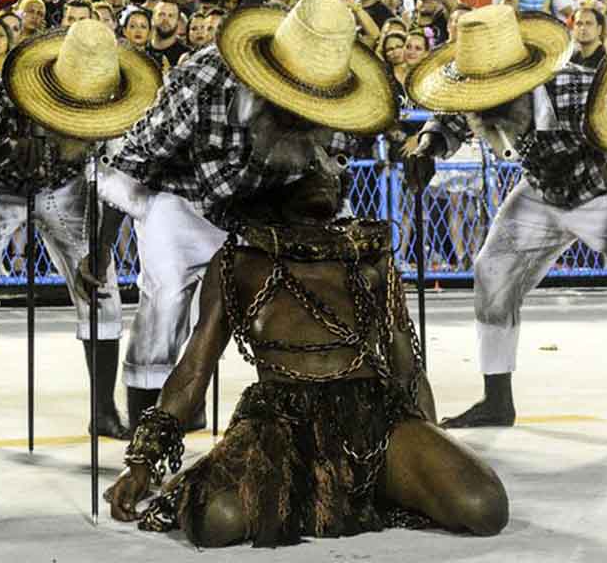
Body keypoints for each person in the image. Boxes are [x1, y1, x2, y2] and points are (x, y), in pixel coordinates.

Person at [106, 159, 508, 545]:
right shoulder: (238, 264)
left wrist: (428, 445)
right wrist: (142, 462)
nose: (323, 172)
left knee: (484, 507)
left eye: (329, 163)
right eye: (307, 165)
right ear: (272, 183)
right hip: (278, 424)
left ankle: (360, 486)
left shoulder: (370, 258)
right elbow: (194, 370)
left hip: (374, 419)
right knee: (217, 520)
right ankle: (247, 483)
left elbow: (407, 369)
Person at [88, 0, 394, 432]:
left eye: (310, 109)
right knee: (166, 300)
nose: (300, 117)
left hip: (271, 213)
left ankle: (310, 409)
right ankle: (146, 425)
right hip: (183, 201)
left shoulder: (344, 99)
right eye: (291, 105)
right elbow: (135, 160)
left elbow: (333, 179)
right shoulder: (204, 78)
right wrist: (100, 249)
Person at [405, 5, 607, 441]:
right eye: (479, 103)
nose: (485, 115)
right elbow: (448, 118)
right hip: (544, 192)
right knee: (492, 268)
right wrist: (426, 149)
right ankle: (497, 400)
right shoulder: (479, 100)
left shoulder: (580, 89)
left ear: (524, 84)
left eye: (496, 101)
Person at [0, 19, 161, 446]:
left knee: (101, 288)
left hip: (65, 188)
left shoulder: (115, 105)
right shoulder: (6, 98)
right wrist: (6, 150)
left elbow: (120, 182)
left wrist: (100, 248)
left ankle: (103, 411)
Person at [146, 0, 190, 74]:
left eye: (171, 16)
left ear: (177, 22)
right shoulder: (141, 50)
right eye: (161, 14)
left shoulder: (187, 56)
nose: (165, 20)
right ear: (152, 18)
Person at [569, 4, 606, 69]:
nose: (583, 28)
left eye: (588, 23)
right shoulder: (570, 58)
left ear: (599, 29)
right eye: (579, 23)